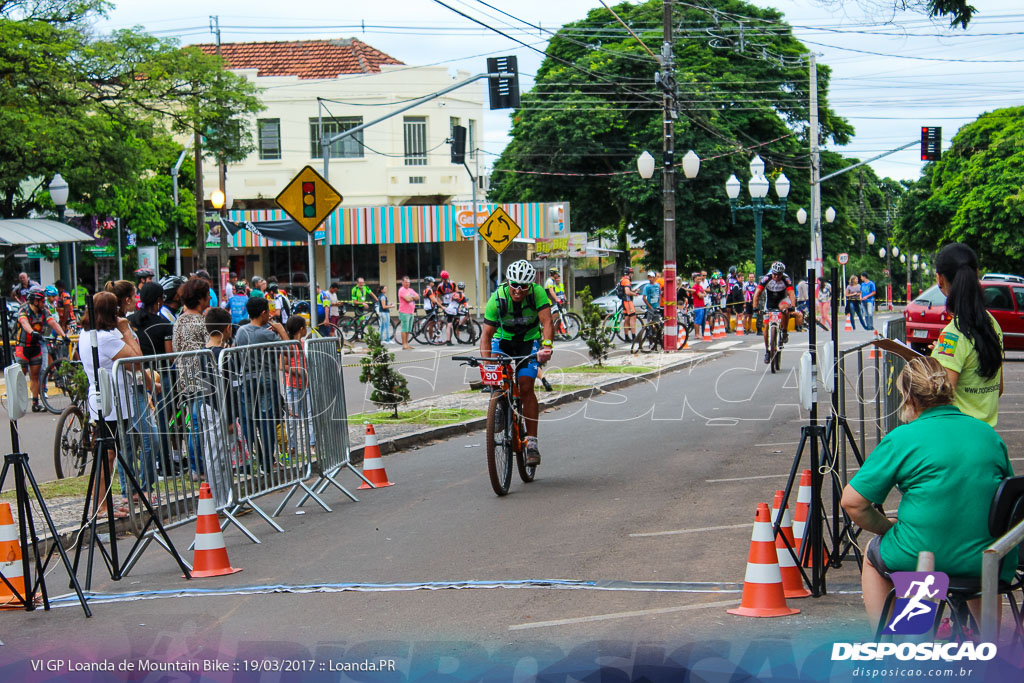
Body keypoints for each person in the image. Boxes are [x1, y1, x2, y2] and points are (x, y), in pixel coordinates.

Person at [841, 356, 1016, 627]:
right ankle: (987, 643)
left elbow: (853, 503)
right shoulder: (987, 434)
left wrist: (885, 528)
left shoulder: (902, 438)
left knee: (876, 556)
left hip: (922, 555)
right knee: (976, 556)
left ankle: (901, 639)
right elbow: (1008, 497)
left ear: (909, 398)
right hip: (988, 559)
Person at [480, 260, 554, 466]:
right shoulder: (497, 298)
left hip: (528, 342)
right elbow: (486, 335)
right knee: (494, 371)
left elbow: (547, 322)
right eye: (514, 285)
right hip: (502, 341)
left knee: (526, 386)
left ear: (530, 285)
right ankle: (499, 406)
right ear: (508, 282)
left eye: (523, 286)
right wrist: (487, 366)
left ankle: (532, 442)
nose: (518, 290)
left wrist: (546, 346)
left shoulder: (537, 293)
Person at [79, 291, 142, 519]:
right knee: (107, 453)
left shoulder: (89, 333)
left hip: (106, 400)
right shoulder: (105, 339)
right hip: (112, 403)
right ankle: (102, 505)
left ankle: (103, 502)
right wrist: (126, 330)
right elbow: (136, 360)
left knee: (108, 452)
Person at [931, 243, 1004, 427]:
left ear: (939, 279)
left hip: (958, 439)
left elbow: (942, 398)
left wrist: (929, 367)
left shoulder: (953, 334)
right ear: (976, 273)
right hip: (987, 436)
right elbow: (999, 388)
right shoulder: (992, 323)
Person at [234, 297, 288, 472]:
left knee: (250, 422)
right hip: (266, 380)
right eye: (268, 312)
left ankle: (256, 459)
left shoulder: (241, 331)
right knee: (267, 422)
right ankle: (267, 461)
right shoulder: (267, 334)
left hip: (246, 380)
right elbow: (288, 348)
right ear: (263, 313)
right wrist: (280, 330)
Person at [173, 279, 212, 478]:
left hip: (184, 376)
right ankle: (198, 467)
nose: (209, 299)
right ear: (200, 298)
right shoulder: (201, 321)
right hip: (201, 375)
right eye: (207, 295)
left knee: (193, 423)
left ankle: (196, 467)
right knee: (199, 423)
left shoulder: (179, 319)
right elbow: (211, 345)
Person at [15, 286, 68, 411]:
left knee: (35, 375)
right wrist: (32, 332)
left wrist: (64, 335)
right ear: (34, 301)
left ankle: (35, 403)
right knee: (20, 376)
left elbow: (53, 323)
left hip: (36, 346)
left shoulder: (44, 311)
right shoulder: (24, 309)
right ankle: (17, 403)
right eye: (42, 301)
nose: (44, 303)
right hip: (23, 346)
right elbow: (24, 322)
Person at [751, 261, 796, 365]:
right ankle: (767, 351)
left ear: (782, 274)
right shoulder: (766, 278)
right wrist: (755, 307)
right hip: (770, 302)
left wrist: (793, 306)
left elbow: (791, 293)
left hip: (782, 300)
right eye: (774, 274)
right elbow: (757, 293)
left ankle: (784, 331)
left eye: (778, 274)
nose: (776, 276)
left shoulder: (786, 279)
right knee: (766, 328)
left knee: (785, 309)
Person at [283, 316, 315, 457]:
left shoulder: (305, 343)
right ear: (301, 328)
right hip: (293, 387)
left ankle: (312, 445)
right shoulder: (289, 345)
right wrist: (298, 371)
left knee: (310, 416)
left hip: (306, 386)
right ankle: (292, 447)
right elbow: (282, 366)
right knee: (293, 419)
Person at [397, 276, 419, 350]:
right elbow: (407, 299)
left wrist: (411, 297)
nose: (408, 284)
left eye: (409, 282)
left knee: (409, 329)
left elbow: (418, 297)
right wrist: (413, 297)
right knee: (404, 329)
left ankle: (407, 343)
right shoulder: (402, 290)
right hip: (404, 312)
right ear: (402, 282)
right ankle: (404, 344)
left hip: (411, 312)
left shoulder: (411, 290)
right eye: (406, 282)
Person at [618, 266, 637, 341]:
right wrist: (634, 294)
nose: (632, 275)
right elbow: (627, 292)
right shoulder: (627, 280)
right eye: (631, 273)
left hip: (623, 301)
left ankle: (626, 336)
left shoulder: (622, 279)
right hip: (627, 301)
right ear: (629, 273)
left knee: (627, 318)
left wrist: (633, 290)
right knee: (633, 317)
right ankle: (634, 336)